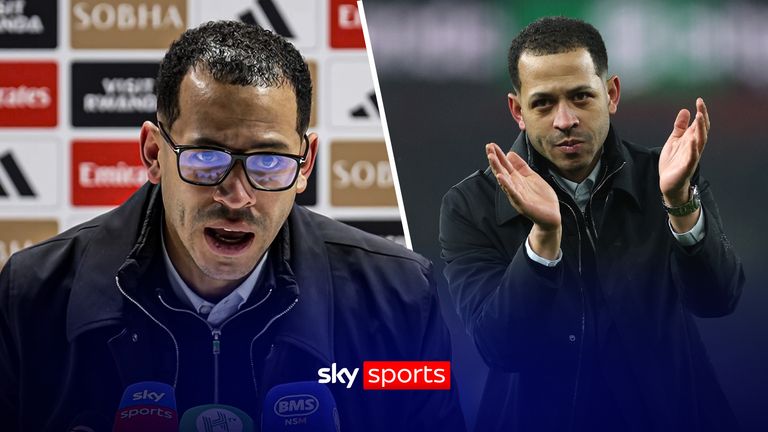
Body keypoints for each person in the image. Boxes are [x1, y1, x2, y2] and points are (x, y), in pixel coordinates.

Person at [0, 21, 465, 431]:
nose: (237, 196)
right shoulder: (33, 295)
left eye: (267, 163)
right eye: (206, 159)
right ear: (153, 154)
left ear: (305, 164)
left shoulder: (400, 296)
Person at [439, 16, 744, 432]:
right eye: (543, 103)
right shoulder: (470, 205)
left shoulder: (667, 176)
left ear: (611, 93)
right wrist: (543, 240)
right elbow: (501, 347)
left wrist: (678, 203)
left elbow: (718, 299)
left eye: (581, 97)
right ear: (517, 110)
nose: (565, 120)